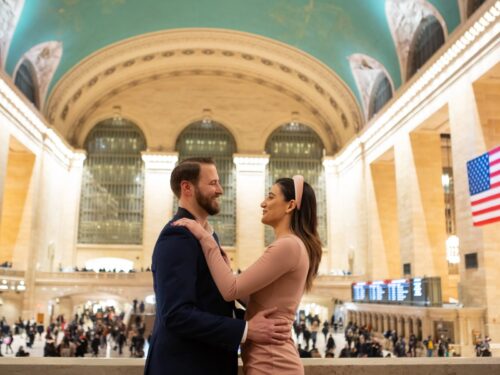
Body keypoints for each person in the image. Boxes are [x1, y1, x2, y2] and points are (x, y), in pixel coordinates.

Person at [144, 158, 291, 375]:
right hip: (184, 367)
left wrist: (253, 321)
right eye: (213, 183)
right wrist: (247, 329)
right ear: (187, 187)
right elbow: (176, 314)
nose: (220, 190)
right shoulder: (178, 235)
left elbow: (211, 302)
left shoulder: (207, 236)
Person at [175, 175, 322, 374]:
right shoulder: (293, 245)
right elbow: (252, 298)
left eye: (270, 197)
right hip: (270, 360)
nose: (263, 203)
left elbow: (231, 290)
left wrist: (206, 238)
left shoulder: (288, 246)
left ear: (290, 206)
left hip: (273, 363)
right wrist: (225, 265)